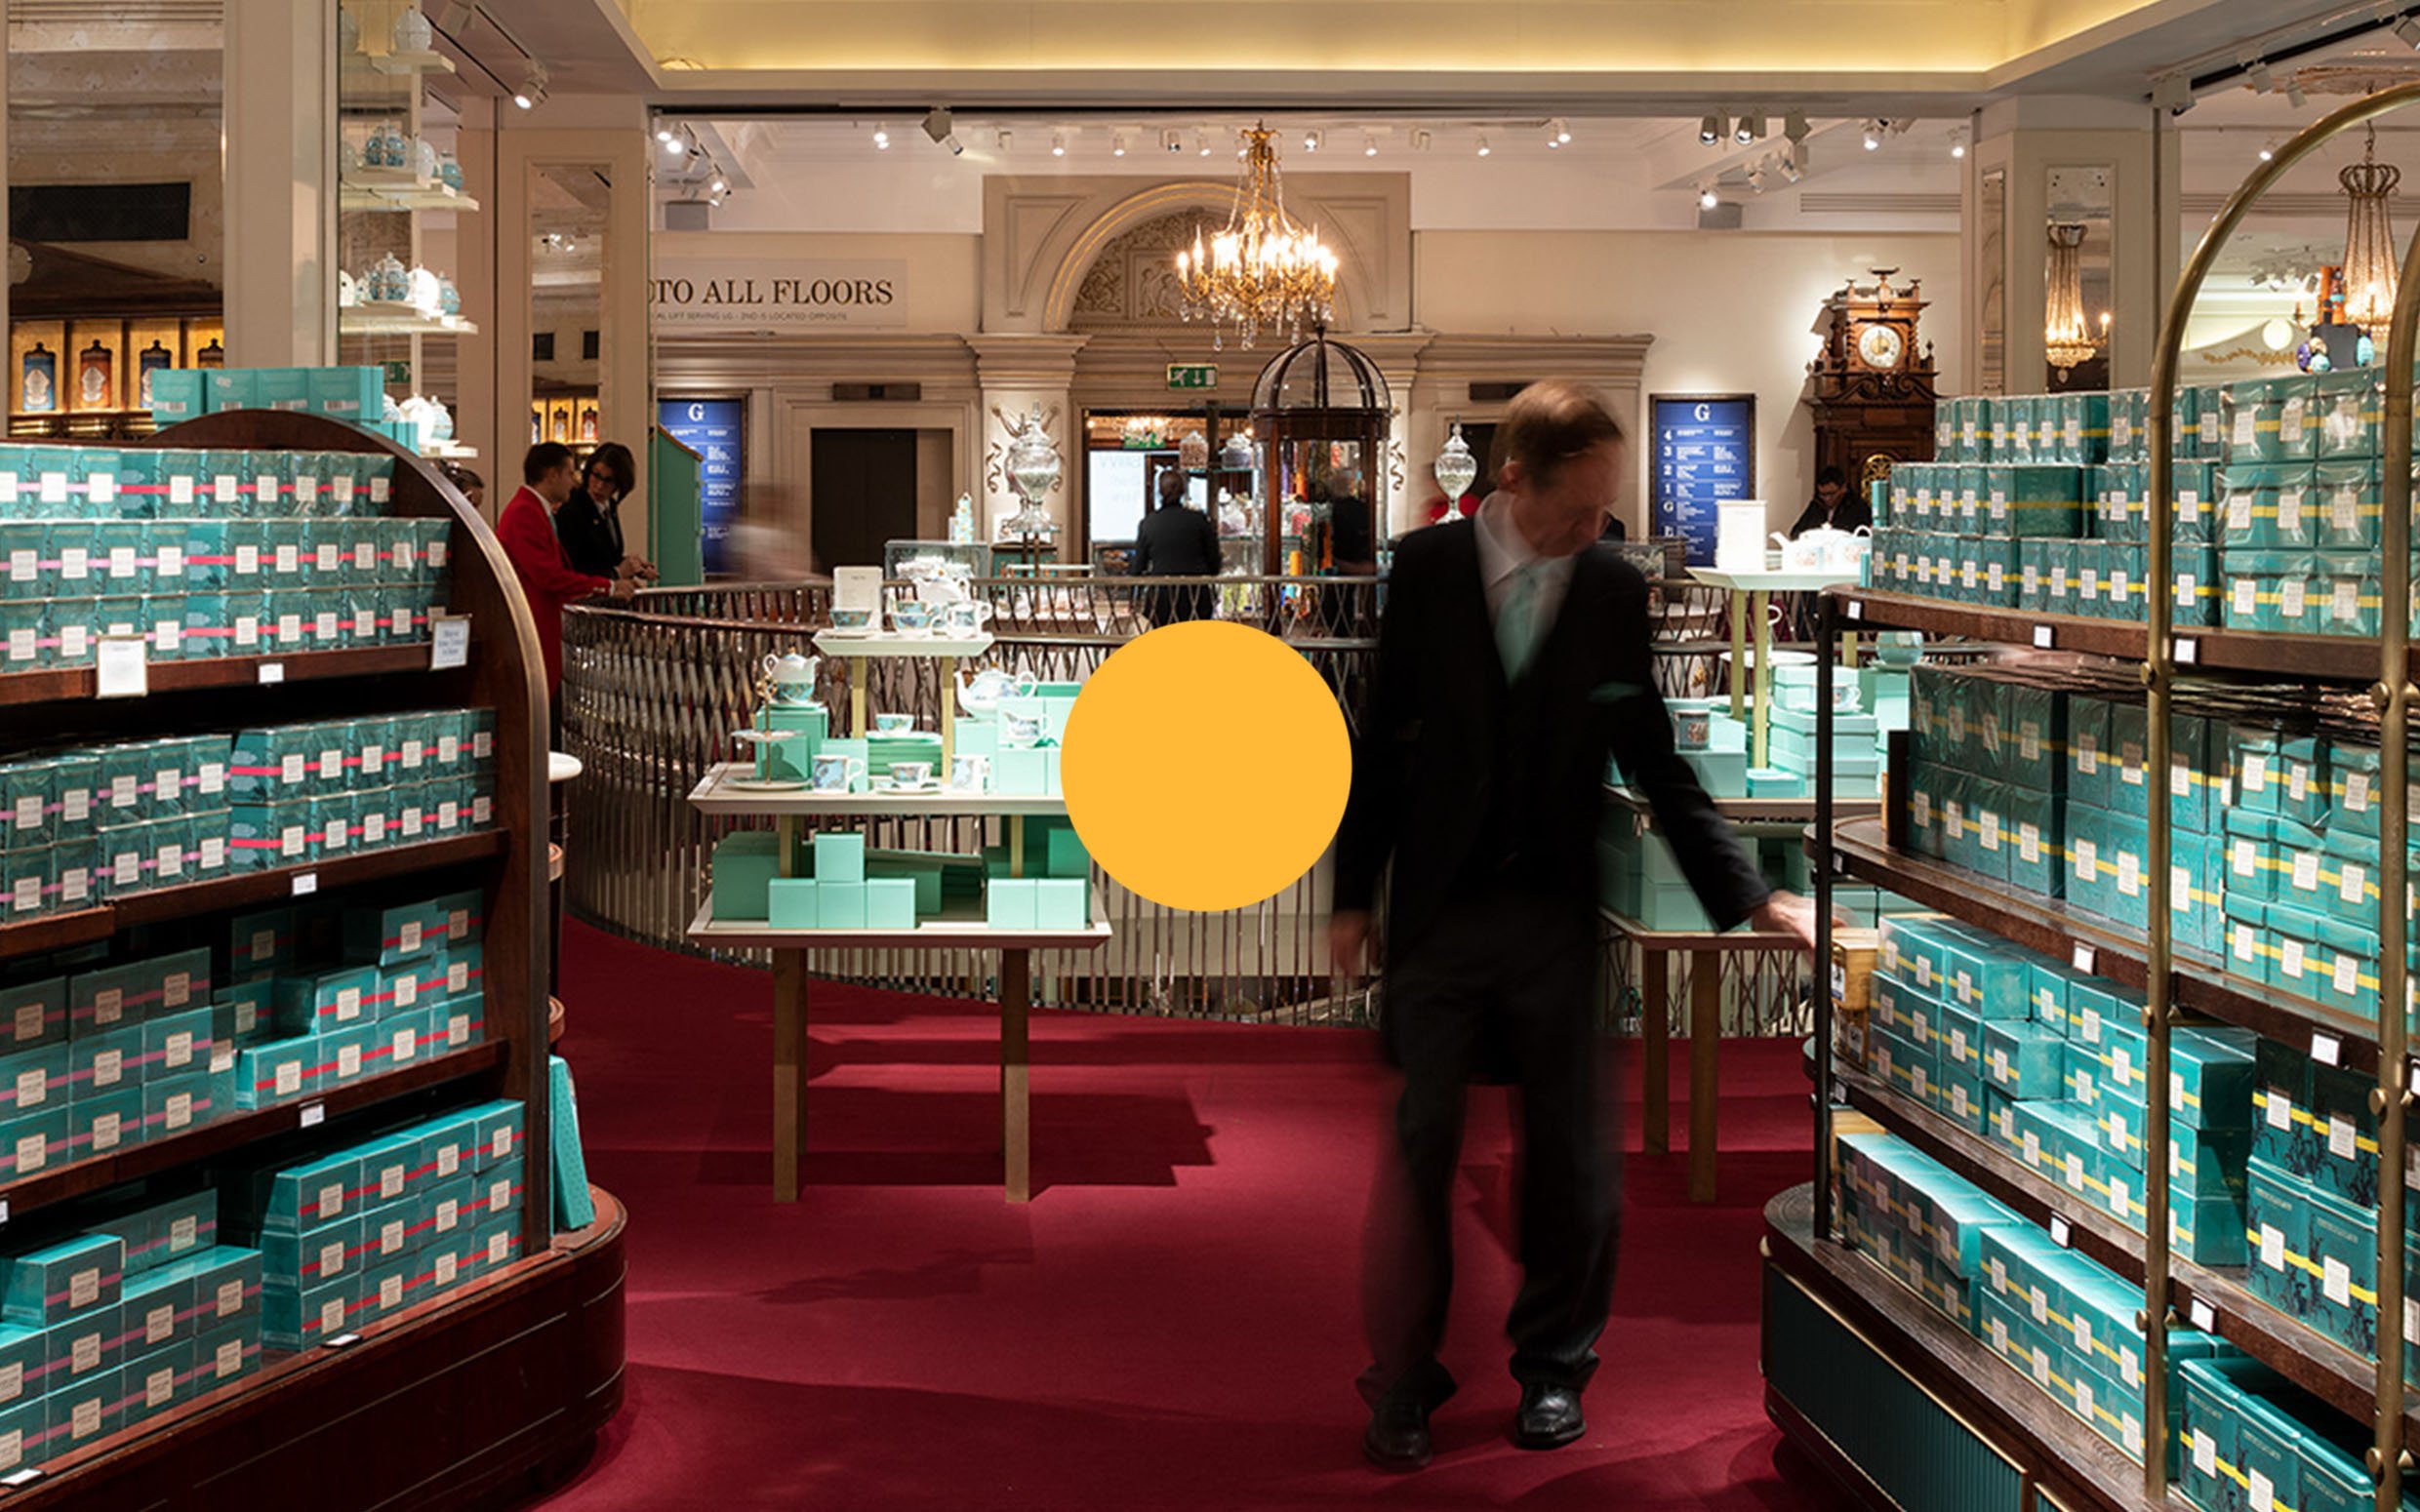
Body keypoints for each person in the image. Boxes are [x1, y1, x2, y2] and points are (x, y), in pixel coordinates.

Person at [1330, 379, 1817, 1473]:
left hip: (1552, 913)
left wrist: (1749, 894)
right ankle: (1402, 1378)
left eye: (1608, 509)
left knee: (1572, 1160)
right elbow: (1381, 742)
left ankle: (1554, 1365)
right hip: (1440, 915)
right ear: (1512, 481)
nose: (1600, 529)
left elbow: (1650, 754)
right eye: (1582, 507)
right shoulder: (1426, 571)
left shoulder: (1606, 588)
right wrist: (1352, 892)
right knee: (1420, 1157)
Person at [497, 442, 635, 737]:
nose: (576, 481)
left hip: (545, 627)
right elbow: (550, 577)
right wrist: (608, 586)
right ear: (552, 474)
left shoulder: (536, 510)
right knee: (536, 722)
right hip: (534, 626)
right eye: (570, 473)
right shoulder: (524, 512)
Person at [556, 442, 658, 583]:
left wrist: (633, 566)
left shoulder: (610, 506)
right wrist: (617, 573)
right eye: (596, 476)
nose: (599, 485)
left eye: (608, 480)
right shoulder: (572, 510)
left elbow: (606, 557)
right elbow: (576, 568)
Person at [1131, 466, 1222, 623]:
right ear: (1183, 491)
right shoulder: (1199, 520)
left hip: (1161, 597)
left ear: (1159, 492)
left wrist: (1134, 596)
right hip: (1196, 596)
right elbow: (1214, 561)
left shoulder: (1148, 523)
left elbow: (1138, 565)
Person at [1789, 465, 1871, 537]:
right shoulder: (1817, 504)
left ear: (1843, 488)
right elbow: (1795, 532)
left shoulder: (1857, 507)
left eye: (1831, 494)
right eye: (1823, 494)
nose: (1827, 499)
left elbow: (1864, 535)